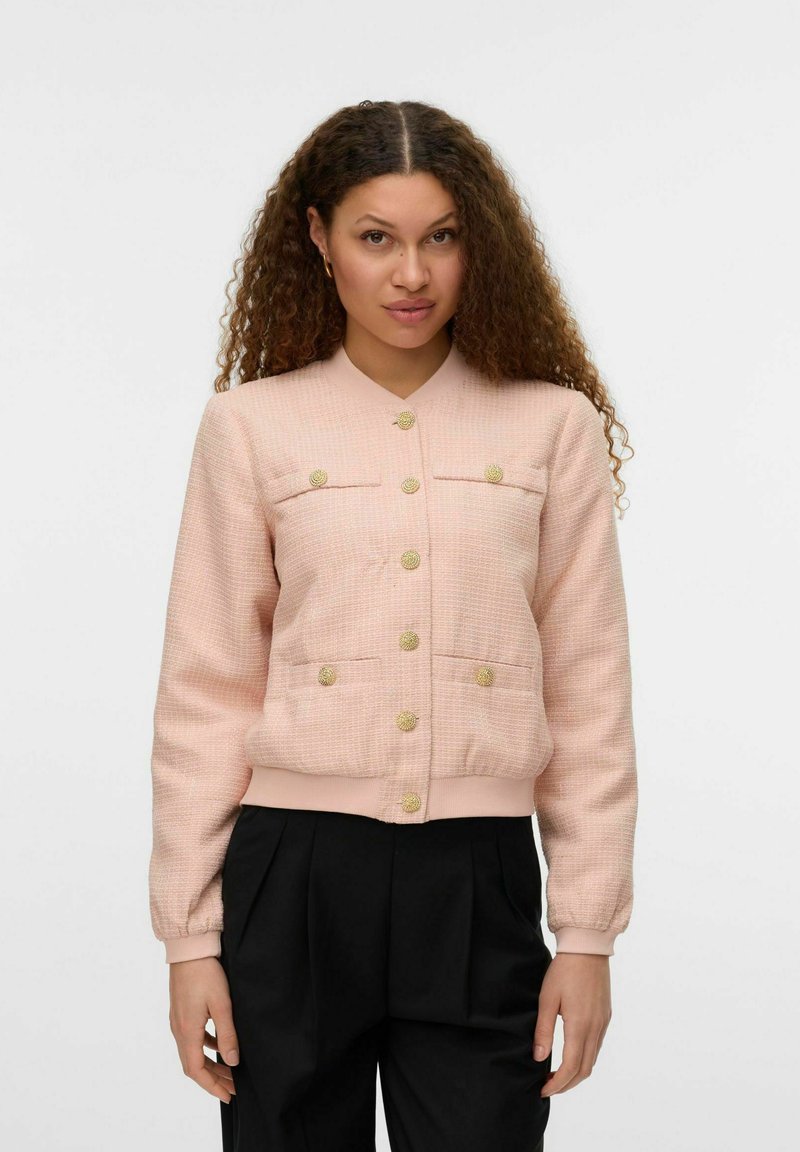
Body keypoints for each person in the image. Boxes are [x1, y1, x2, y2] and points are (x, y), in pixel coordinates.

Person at [148, 99, 638, 1152]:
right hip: (290, 881)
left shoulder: (550, 427)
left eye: (440, 237)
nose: (410, 274)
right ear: (319, 239)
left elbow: (587, 694)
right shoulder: (250, 427)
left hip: (477, 881)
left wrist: (587, 933)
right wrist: (189, 939)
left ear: (478, 245)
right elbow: (206, 692)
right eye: (376, 238)